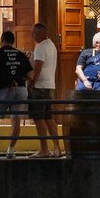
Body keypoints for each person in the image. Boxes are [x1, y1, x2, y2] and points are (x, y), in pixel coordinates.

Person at [0, 29, 31, 159]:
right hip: (21, 89)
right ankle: (10, 151)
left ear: (2, 40)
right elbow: (29, 75)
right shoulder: (21, 55)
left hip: (5, 88)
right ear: (13, 42)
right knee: (16, 119)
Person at [30, 23, 62, 158]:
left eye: (34, 33)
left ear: (41, 33)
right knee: (49, 117)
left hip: (40, 86)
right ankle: (57, 148)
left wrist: (31, 83)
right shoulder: (52, 45)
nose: (32, 35)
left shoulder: (40, 47)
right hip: (50, 85)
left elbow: (37, 69)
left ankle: (44, 149)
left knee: (39, 118)